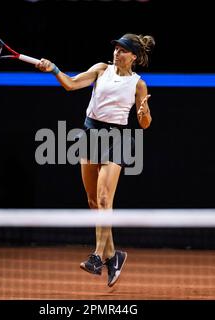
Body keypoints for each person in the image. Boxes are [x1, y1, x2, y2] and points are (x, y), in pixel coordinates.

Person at [36, 33, 154, 287]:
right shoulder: (101, 70)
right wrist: (54, 69)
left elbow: (145, 124)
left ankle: (98, 256)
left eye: (123, 50)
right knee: (92, 201)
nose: (117, 53)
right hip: (90, 134)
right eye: (116, 49)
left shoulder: (138, 84)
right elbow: (70, 84)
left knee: (104, 199)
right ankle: (114, 254)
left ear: (133, 56)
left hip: (118, 138)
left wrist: (143, 113)